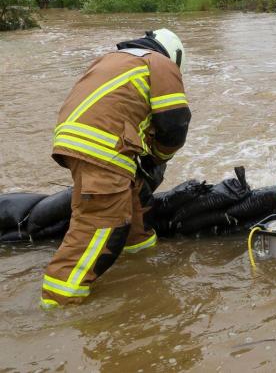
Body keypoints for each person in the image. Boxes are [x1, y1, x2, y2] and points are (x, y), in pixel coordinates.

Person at [41, 29, 191, 308]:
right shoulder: (159, 64)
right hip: (104, 147)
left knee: (133, 206)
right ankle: (58, 302)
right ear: (174, 55)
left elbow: (121, 109)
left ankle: (140, 258)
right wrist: (158, 157)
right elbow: (174, 124)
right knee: (101, 224)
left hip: (77, 141)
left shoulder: (114, 59)